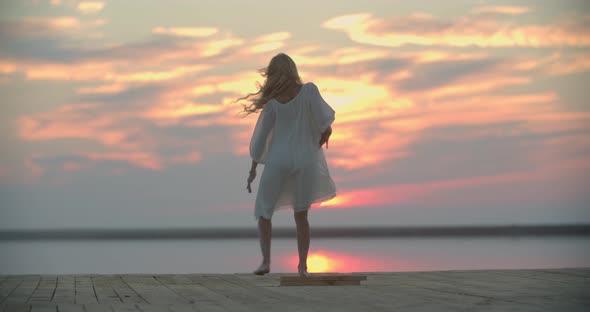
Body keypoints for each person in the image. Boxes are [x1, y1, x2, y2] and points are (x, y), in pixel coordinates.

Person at [238, 53, 337, 276]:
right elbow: (325, 121)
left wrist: (254, 168)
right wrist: (322, 138)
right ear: (293, 70)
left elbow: (260, 140)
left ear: (273, 74)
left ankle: (265, 262)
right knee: (301, 215)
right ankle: (302, 267)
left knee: (264, 211)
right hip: (306, 159)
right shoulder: (309, 91)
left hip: (278, 160)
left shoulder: (272, 104)